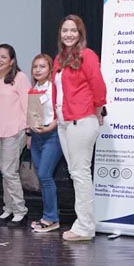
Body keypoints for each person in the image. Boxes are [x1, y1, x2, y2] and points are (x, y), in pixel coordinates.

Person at [53, 14, 107, 241]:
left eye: (73, 30)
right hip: (64, 123)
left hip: (81, 121)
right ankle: (83, 223)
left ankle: (84, 227)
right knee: (76, 174)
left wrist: (98, 109)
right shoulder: (59, 59)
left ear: (80, 33)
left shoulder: (88, 56)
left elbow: (98, 85)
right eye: (65, 30)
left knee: (81, 174)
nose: (68, 34)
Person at [0, 44, 31, 227]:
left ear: (12, 61)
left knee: (9, 171)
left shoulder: (20, 78)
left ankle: (21, 211)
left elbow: (29, 106)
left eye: (4, 57)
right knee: (4, 171)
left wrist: (29, 131)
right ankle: (9, 208)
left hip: (15, 130)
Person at [27, 54, 62, 232]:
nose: (38, 70)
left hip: (52, 135)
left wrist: (50, 128)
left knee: (45, 175)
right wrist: (29, 133)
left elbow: (61, 111)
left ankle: (51, 218)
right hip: (36, 137)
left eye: (42, 66)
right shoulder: (34, 88)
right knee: (42, 177)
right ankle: (47, 215)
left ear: (50, 70)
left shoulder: (54, 88)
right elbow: (32, 115)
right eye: (35, 67)